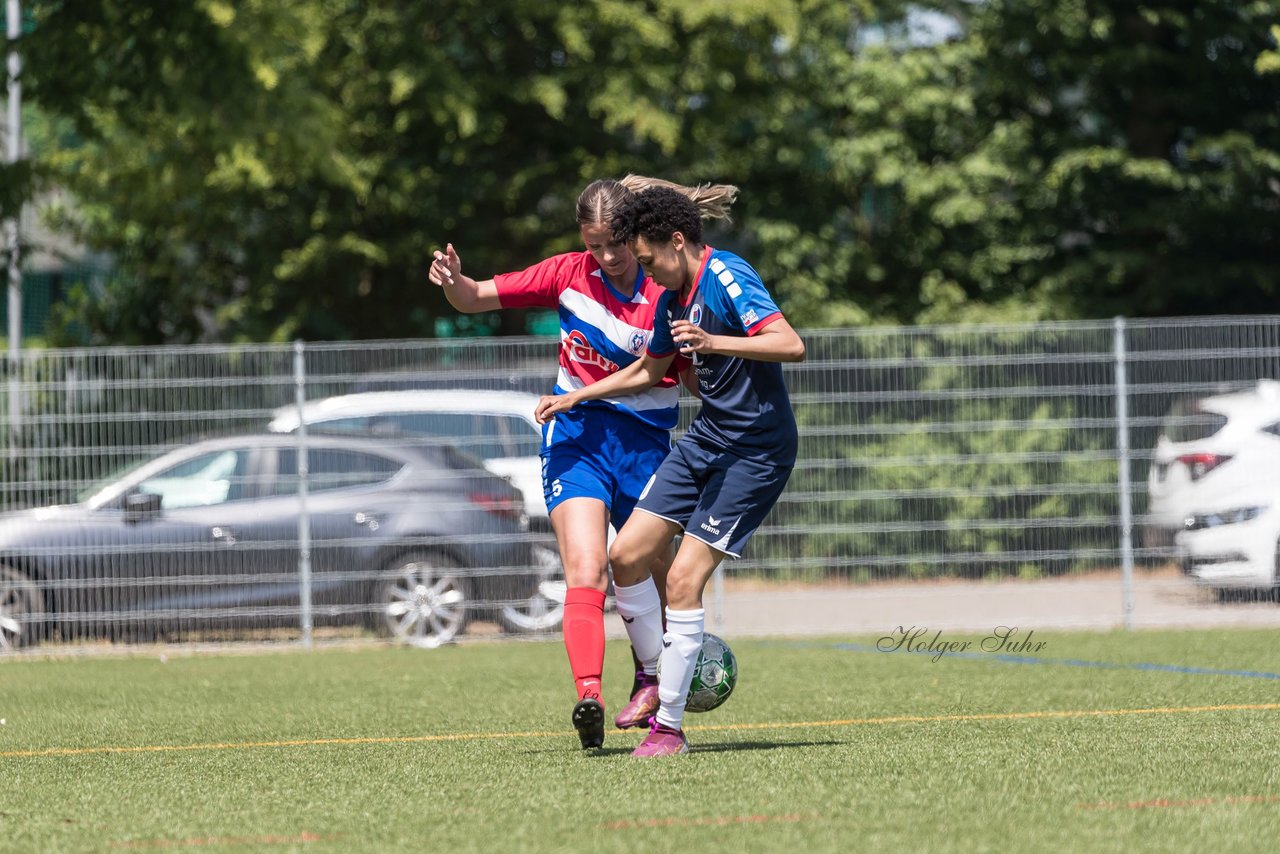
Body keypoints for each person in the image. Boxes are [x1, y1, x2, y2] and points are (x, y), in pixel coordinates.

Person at [427, 176, 738, 751]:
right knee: (587, 569)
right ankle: (590, 697)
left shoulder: (667, 282)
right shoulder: (568, 273)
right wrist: (455, 282)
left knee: (665, 577)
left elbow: (684, 371)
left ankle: (658, 689)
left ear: (637, 234)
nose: (608, 256)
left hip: (645, 443)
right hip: (576, 439)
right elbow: (473, 298)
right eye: (594, 244)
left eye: (616, 242)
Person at [535, 185, 806, 757]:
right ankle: (656, 677)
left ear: (677, 242)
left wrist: (714, 341)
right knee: (625, 556)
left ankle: (670, 729)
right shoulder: (670, 300)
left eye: (650, 258)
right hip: (707, 438)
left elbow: (790, 343)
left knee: (682, 581)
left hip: (756, 453)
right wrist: (576, 397)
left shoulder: (728, 275)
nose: (646, 271)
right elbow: (647, 370)